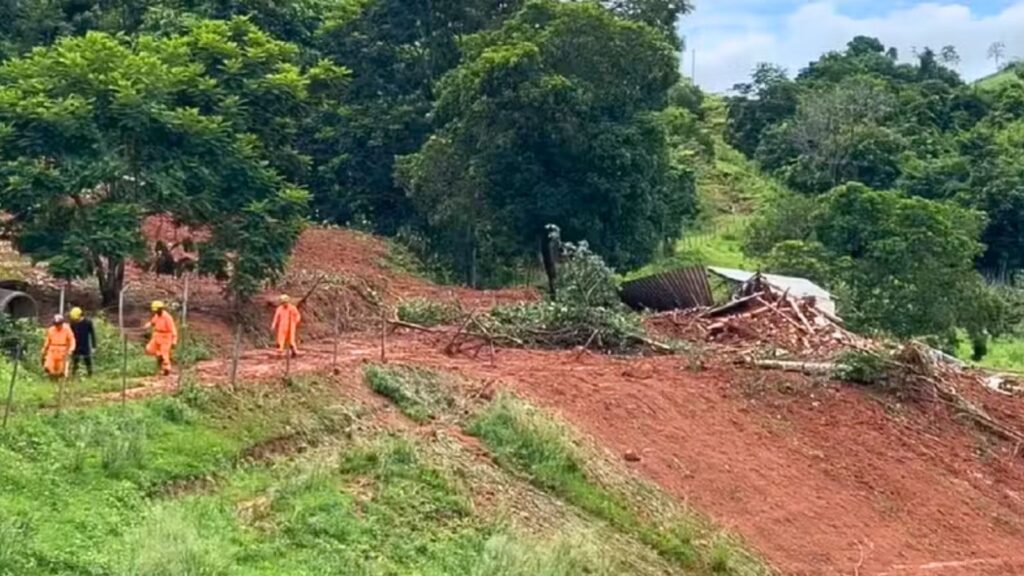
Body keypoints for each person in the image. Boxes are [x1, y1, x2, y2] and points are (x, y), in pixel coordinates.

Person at [145, 301, 178, 376]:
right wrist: (149, 324)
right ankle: (159, 360)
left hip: (166, 337)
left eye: (157, 310)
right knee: (149, 349)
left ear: (161, 309)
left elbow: (173, 329)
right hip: (157, 335)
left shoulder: (167, 317)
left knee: (164, 354)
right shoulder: (157, 315)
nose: (156, 311)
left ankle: (166, 369)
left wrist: (174, 340)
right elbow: (153, 322)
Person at [41, 314, 75, 380]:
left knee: (60, 369)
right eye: (56, 324)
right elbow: (48, 340)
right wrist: (44, 349)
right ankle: (51, 378)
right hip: (52, 350)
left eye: (59, 324)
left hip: (62, 350)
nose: (57, 326)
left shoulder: (67, 329)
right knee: (48, 366)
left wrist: (71, 349)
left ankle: (58, 380)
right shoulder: (51, 330)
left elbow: (72, 339)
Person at [69, 307, 98, 377]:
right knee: (75, 361)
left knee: (87, 360)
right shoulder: (72, 324)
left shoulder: (88, 322)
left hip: (85, 345)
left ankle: (90, 375)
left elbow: (92, 334)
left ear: (80, 315)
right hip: (75, 345)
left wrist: (94, 346)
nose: (75, 320)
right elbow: (70, 336)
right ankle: (73, 375)